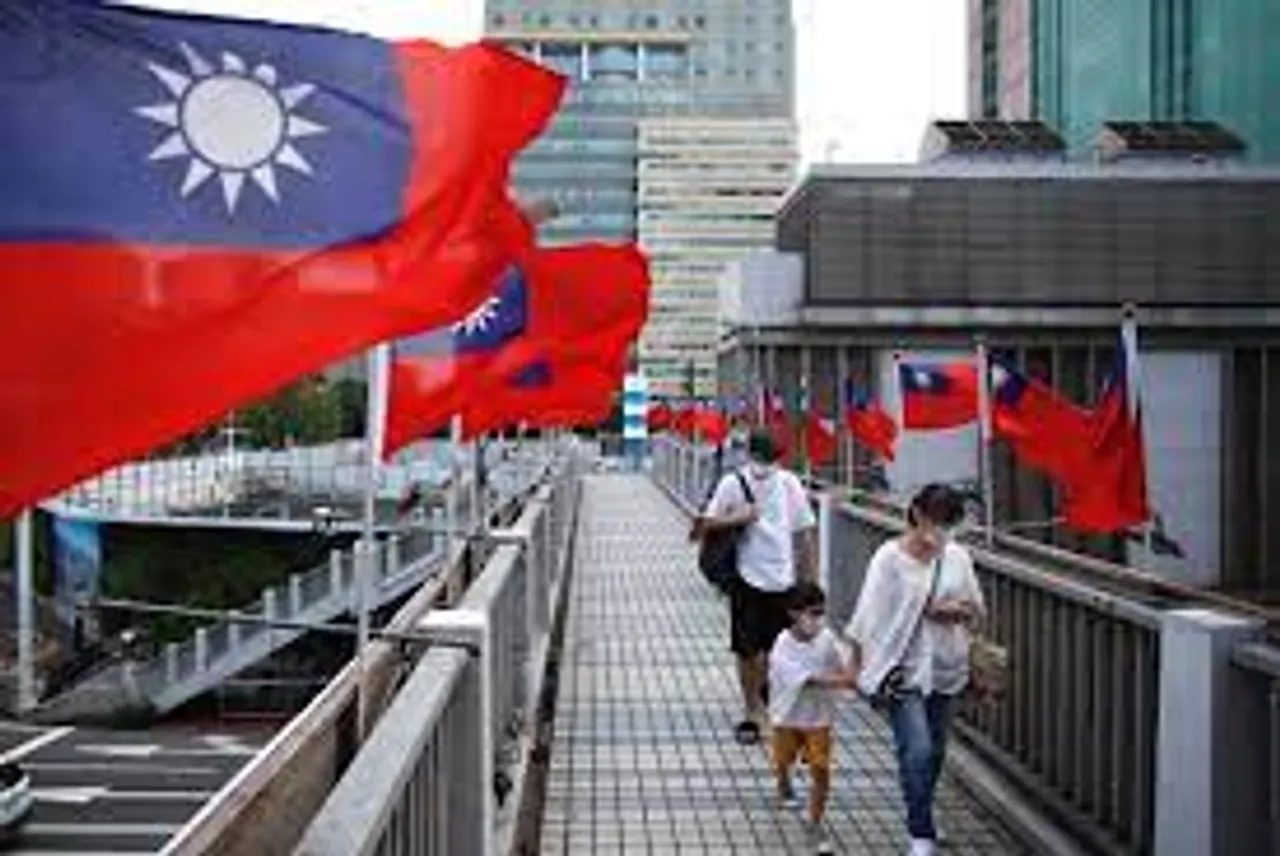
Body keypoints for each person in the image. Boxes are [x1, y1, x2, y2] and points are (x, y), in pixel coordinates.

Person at [842, 483, 986, 856]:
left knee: (936, 749)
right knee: (917, 750)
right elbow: (867, 612)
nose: (943, 532)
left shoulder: (958, 557)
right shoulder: (889, 558)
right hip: (902, 668)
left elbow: (976, 609)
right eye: (939, 522)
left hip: (946, 664)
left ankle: (923, 809)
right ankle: (920, 830)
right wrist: (856, 663)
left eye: (950, 524)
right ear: (918, 515)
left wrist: (956, 612)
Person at [699, 428, 818, 745]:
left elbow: (803, 532)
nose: (766, 465)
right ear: (750, 455)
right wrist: (737, 517)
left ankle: (772, 703)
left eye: (771, 459)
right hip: (745, 577)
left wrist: (809, 582)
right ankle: (752, 711)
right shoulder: (732, 483)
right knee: (746, 649)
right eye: (762, 458)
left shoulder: (789, 483)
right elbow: (702, 526)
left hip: (784, 579)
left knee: (778, 650)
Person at [768, 581, 852, 855]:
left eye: (821, 613)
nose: (818, 619)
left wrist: (853, 675)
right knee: (783, 759)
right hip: (788, 717)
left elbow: (844, 663)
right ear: (794, 613)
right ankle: (783, 783)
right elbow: (806, 681)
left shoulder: (827, 638)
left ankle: (814, 822)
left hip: (819, 719)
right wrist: (842, 681)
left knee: (821, 770)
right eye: (813, 613)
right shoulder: (782, 645)